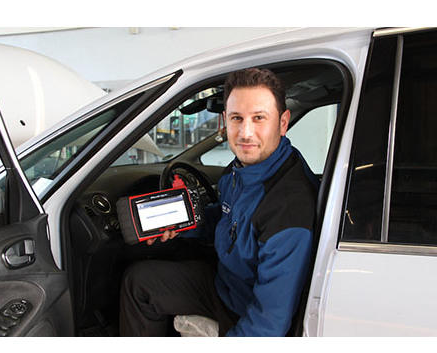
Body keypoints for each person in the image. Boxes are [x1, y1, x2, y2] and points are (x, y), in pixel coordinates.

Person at [119, 68, 318, 337]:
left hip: (243, 308)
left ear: (282, 123)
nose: (246, 133)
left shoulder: (288, 209)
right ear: (225, 121)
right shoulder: (241, 170)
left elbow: (267, 324)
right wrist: (183, 225)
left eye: (259, 118)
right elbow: (225, 218)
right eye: (237, 118)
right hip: (225, 282)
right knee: (139, 282)